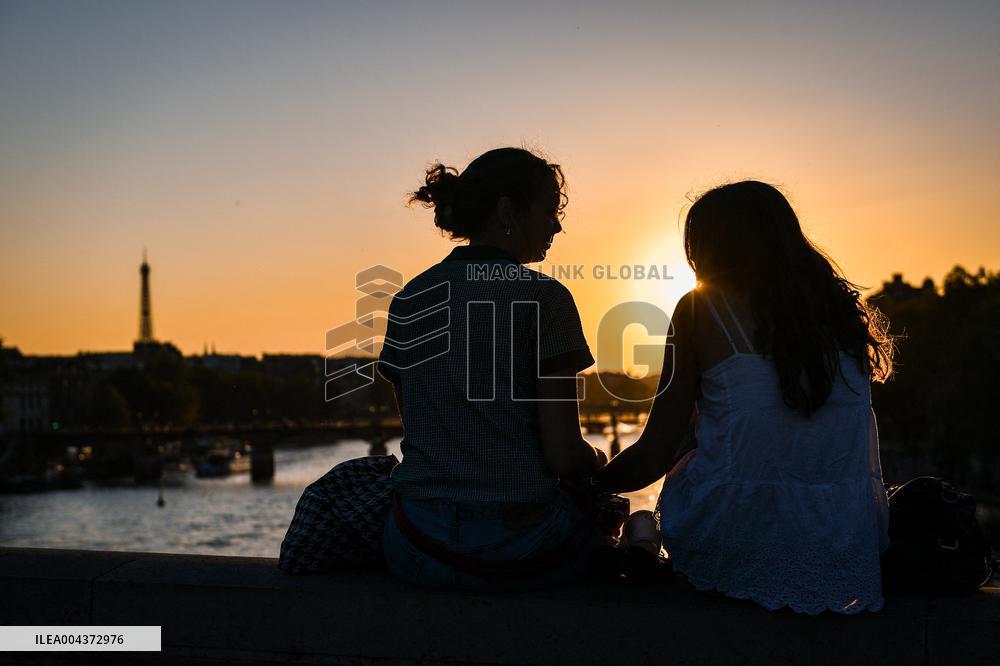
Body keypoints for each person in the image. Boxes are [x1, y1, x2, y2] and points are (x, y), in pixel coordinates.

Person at [596, 180, 895, 614]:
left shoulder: (701, 309)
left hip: (739, 537)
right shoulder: (840, 312)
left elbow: (655, 452)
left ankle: (641, 543)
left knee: (643, 520)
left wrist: (588, 484)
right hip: (845, 541)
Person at [378, 147, 608, 590]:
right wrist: (596, 459)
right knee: (628, 523)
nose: (557, 225)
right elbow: (564, 455)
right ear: (507, 211)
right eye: (548, 211)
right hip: (518, 545)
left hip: (416, 543)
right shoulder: (545, 300)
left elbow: (423, 428)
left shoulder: (409, 298)